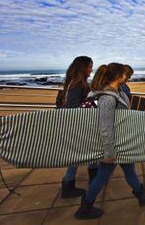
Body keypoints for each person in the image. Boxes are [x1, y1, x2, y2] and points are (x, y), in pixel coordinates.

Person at [75, 63, 145, 220]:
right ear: (119, 76)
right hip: (113, 145)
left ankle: (142, 194)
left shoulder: (117, 91)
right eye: (124, 74)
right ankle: (84, 208)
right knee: (102, 175)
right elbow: (105, 126)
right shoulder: (107, 97)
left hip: (121, 143)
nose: (126, 76)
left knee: (129, 169)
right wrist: (109, 151)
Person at [60, 56, 98, 199]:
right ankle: (72, 185)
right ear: (83, 68)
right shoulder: (77, 84)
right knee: (84, 153)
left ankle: (70, 184)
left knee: (79, 154)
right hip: (79, 125)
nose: (91, 69)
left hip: (77, 125)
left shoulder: (73, 83)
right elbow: (72, 108)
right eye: (89, 67)